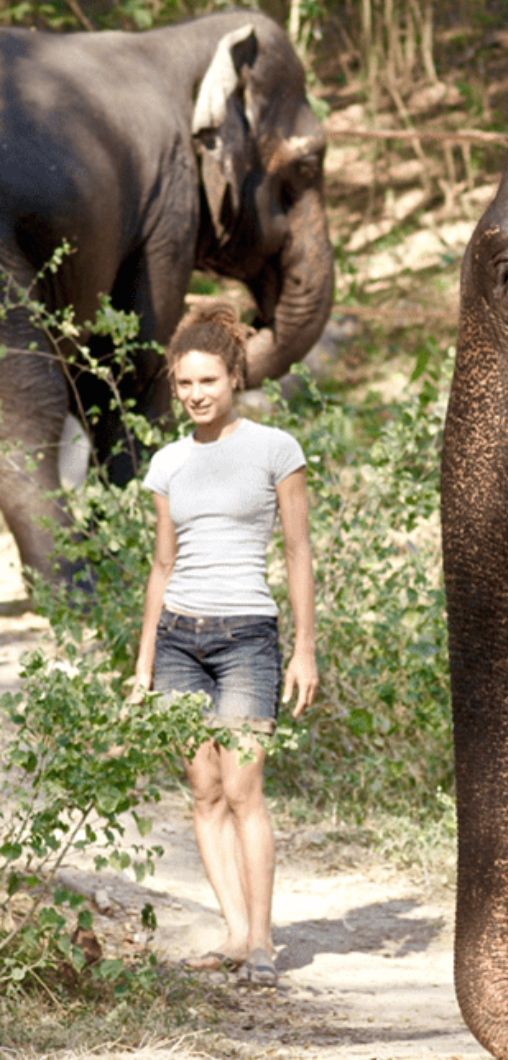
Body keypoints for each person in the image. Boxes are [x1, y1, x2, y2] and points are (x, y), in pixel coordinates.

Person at [132, 302, 318, 987]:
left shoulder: (275, 449)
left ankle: (263, 942)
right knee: (204, 791)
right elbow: (161, 565)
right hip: (180, 637)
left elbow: (298, 551)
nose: (195, 395)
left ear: (235, 376)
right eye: (183, 384)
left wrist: (305, 648)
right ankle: (235, 934)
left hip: (246, 637)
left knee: (244, 788)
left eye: (207, 381)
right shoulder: (167, 463)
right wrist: (145, 660)